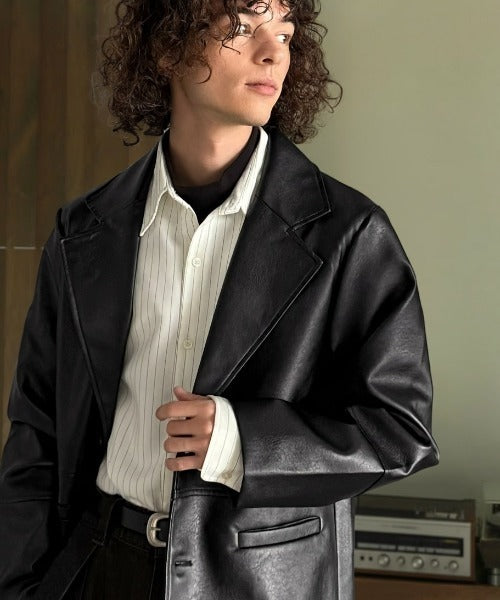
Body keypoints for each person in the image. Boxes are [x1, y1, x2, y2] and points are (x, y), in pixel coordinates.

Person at [0, 1, 439, 599]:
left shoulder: (351, 234)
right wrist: (22, 583)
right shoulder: (83, 230)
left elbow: (400, 433)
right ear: (167, 46)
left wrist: (238, 440)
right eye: (241, 28)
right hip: (96, 571)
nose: (274, 53)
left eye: (284, 33)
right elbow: (36, 432)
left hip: (260, 583)